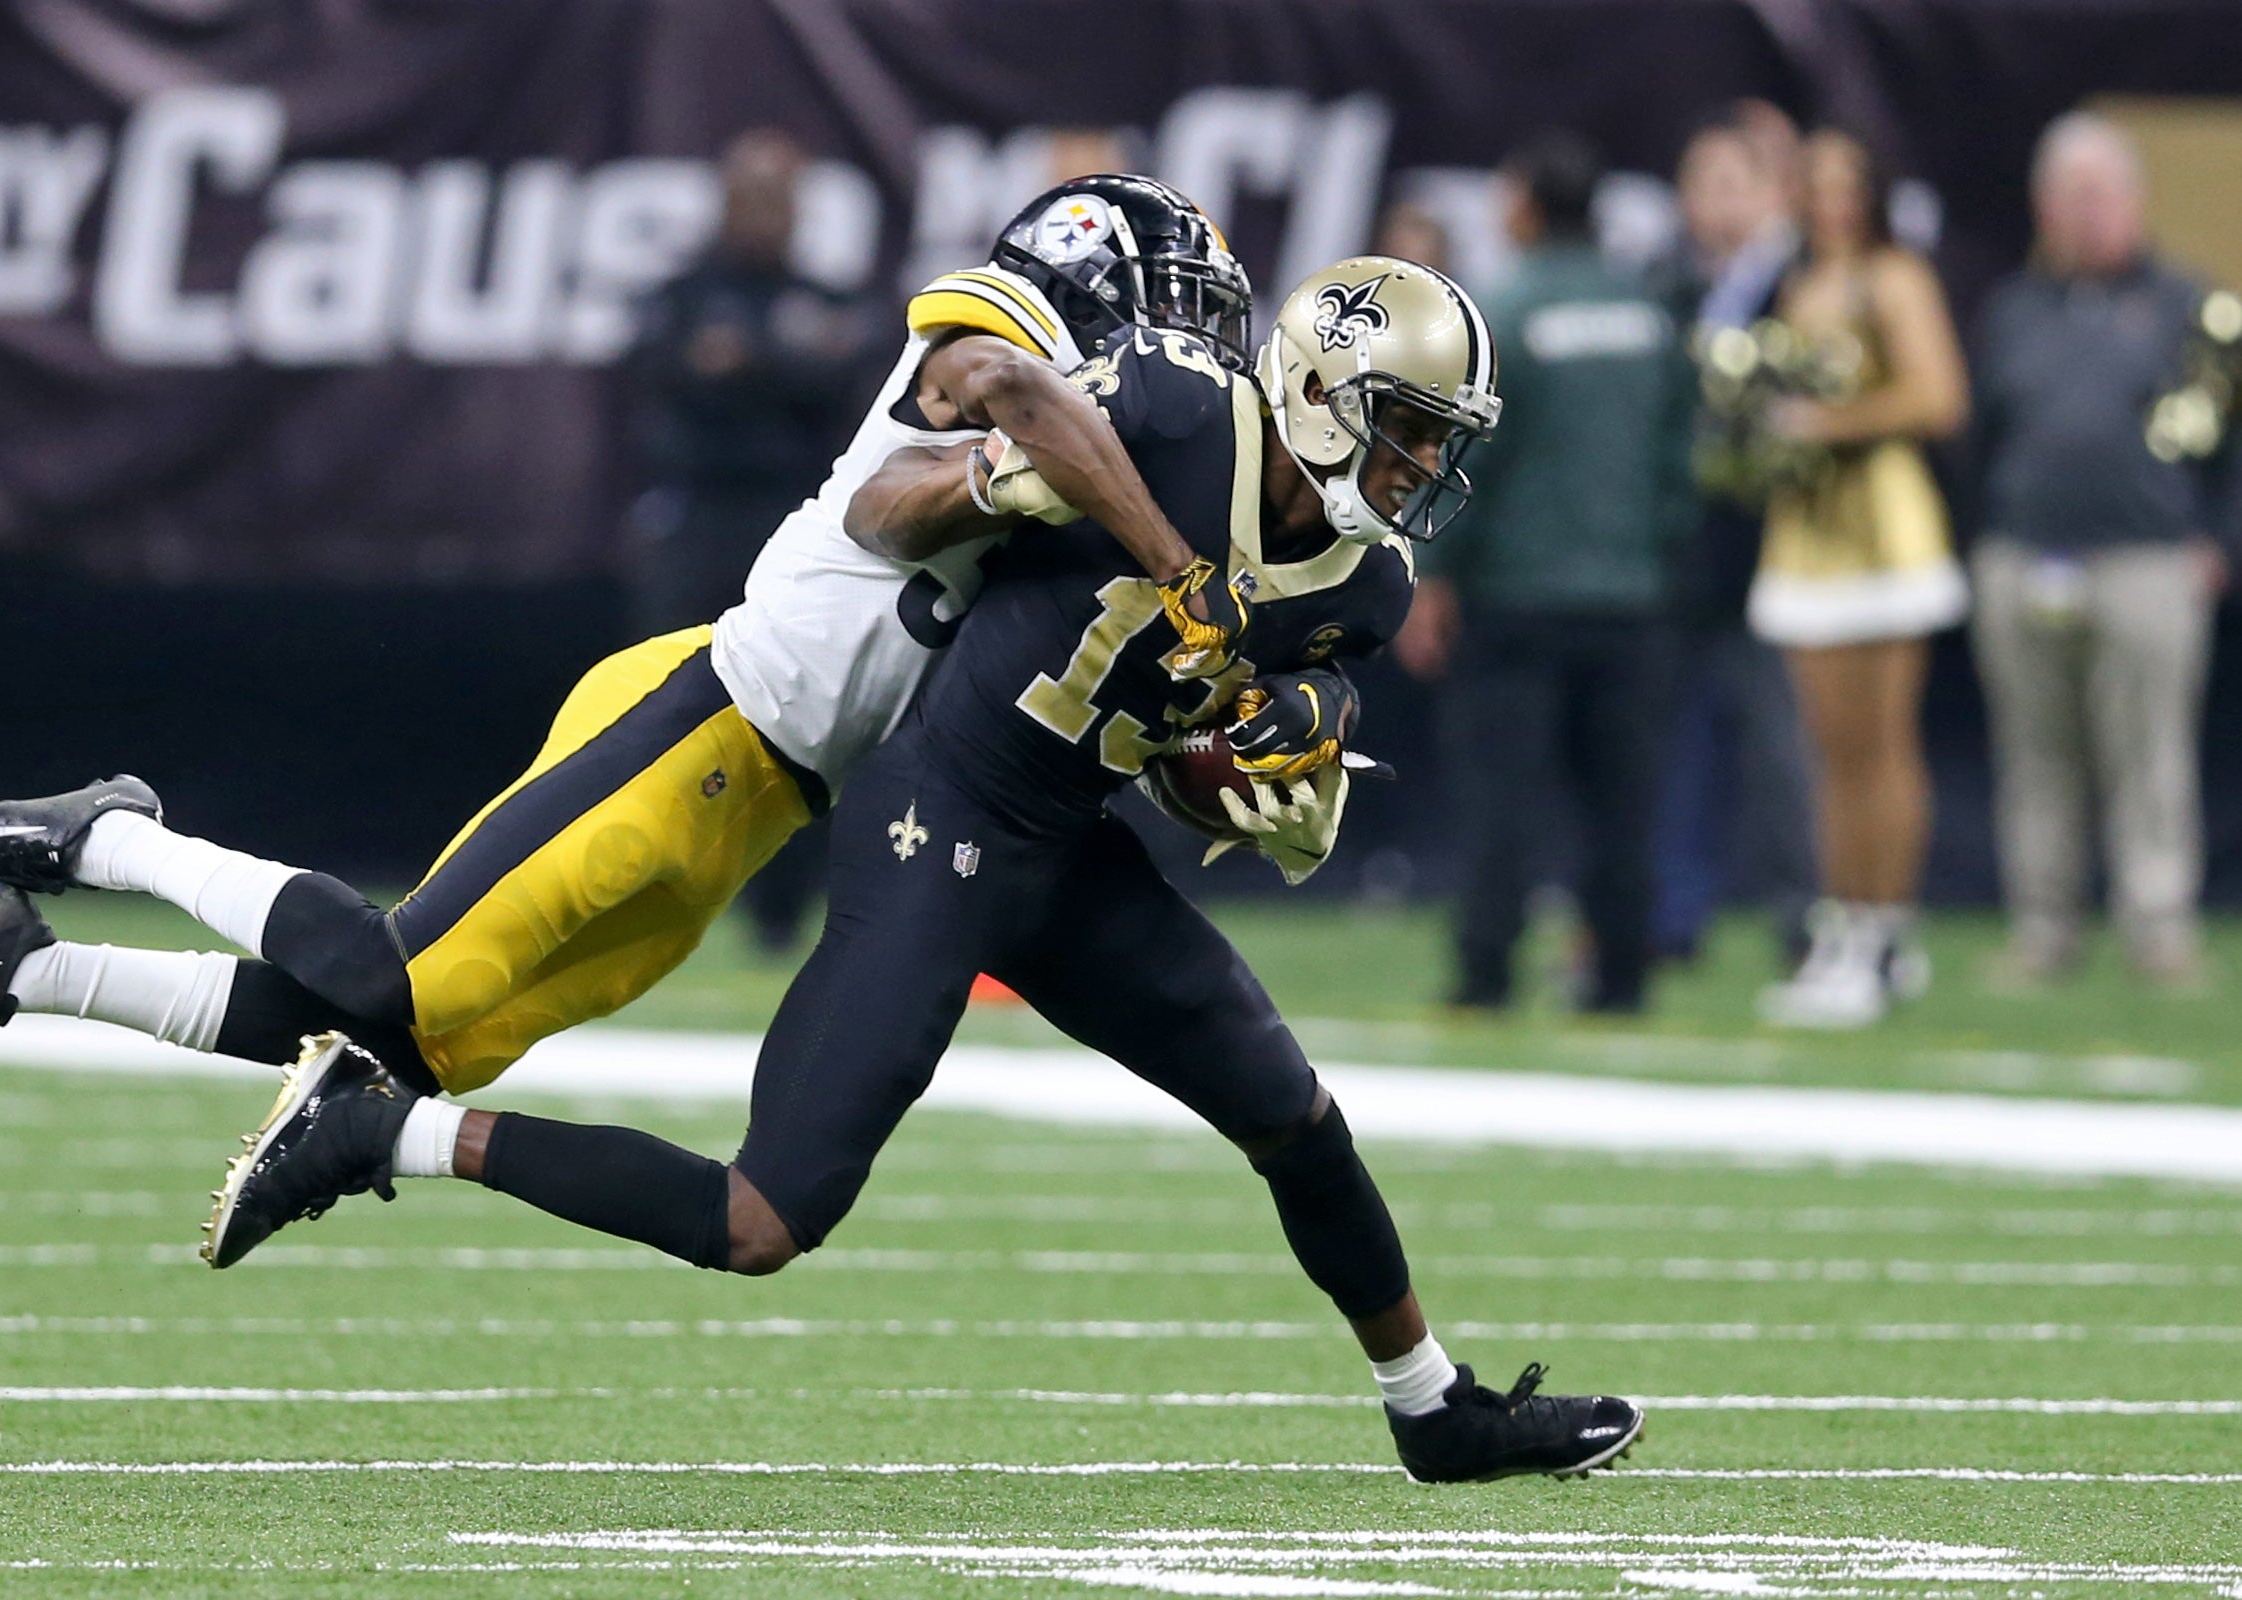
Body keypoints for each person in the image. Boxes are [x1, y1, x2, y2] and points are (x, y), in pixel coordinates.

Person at [197, 258, 1645, 1486]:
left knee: (1293, 1113)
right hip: (936, 813)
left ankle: (1429, 1409)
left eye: (1432, 444)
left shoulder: (1368, 585)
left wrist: (1284, 749)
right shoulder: (1167, 402)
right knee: (761, 1221)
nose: (1413, 471)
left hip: (1069, 843)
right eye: (1399, 431)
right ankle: (379, 1140)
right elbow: (897, 494)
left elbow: (1269, 720)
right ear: (1317, 389)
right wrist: (1027, 494)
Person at [0, 176, 1258, 1093]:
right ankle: (106, 835)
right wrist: (1186, 565)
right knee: (394, 970)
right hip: (708, 713)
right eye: (1174, 321)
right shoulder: (994, 346)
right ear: (1101, 284)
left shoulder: (1081, 478)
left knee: (409, 1041)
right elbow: (1012, 383)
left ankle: (21, 967)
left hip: (769, 799)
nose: (1183, 364)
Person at [1392, 132, 1692, 1014]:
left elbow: (1468, 464)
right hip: (1629, 599)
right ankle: (1622, 976)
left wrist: (1434, 574)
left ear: (1523, 206)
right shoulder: (1650, 314)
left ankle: (1486, 974)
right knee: (1622, 802)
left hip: (1514, 600)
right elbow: (1680, 464)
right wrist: (1650, 553)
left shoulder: (1504, 313)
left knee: (1501, 801)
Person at [1970, 113, 2231, 989]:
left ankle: (2156, 929)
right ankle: (2043, 930)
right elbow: (1981, 439)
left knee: (2148, 754)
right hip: (2026, 557)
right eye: (2068, 196)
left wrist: (2217, 544)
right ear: (2043, 207)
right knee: (2035, 756)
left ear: (2133, 200)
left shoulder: (2187, 306)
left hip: (2146, 561)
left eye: (2099, 194)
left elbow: (2232, 442)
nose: (2085, 213)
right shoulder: (2012, 310)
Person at [624, 131, 881, 952]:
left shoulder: (826, 298)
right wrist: (785, 370)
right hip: (701, 523)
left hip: (798, 526)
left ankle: (781, 916)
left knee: (803, 719)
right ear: (725, 201)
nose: (768, 215)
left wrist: (747, 367)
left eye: (783, 198)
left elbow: (848, 387)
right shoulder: (681, 296)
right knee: (668, 711)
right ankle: (642, 894)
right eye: (753, 196)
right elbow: (665, 380)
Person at [1749, 129, 1970, 1030]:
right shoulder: (1798, 283)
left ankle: (1882, 933)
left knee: (1880, 746)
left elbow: (1938, 396)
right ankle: (1842, 929)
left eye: (1847, 183)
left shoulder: (1895, 278)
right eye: (1817, 184)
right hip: (1809, 533)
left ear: (1872, 192)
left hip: (1883, 528)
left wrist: (1823, 422)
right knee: (1829, 752)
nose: (1831, 200)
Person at [1649, 113, 1816, 967]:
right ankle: (1674, 916)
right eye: (1700, 183)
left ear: (1771, 192)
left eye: (1732, 183)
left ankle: (1805, 918)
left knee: (1783, 747)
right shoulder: (1663, 284)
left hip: (1779, 548)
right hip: (1686, 554)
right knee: (1679, 745)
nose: (1714, 203)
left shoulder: (1804, 280)